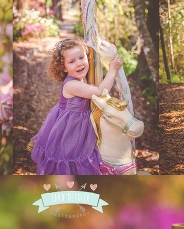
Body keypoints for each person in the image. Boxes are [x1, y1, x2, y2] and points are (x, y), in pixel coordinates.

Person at [31, 38, 123, 175]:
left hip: (82, 123)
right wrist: (112, 69)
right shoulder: (71, 85)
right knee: (70, 156)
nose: (79, 64)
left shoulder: (83, 77)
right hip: (70, 127)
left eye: (81, 58)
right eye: (72, 61)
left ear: (87, 57)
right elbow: (99, 92)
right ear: (64, 67)